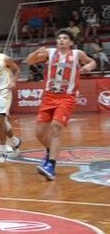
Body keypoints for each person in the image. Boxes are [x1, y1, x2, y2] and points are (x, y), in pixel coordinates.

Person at [25, 30, 96, 180]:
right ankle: (50, 151)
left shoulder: (77, 54)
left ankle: (51, 165)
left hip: (67, 97)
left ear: (71, 42)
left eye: (65, 38)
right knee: (39, 133)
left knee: (56, 128)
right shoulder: (49, 53)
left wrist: (88, 66)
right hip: (48, 97)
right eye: (59, 38)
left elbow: (92, 61)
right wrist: (35, 52)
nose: (61, 40)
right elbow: (29, 61)